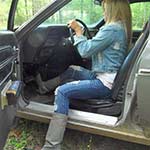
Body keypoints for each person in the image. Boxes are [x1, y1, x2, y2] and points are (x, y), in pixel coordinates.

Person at [41, 0, 132, 149]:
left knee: (62, 92)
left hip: (103, 84)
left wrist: (78, 32)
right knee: (72, 69)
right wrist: (82, 36)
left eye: (105, 8)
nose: (104, 12)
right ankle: (43, 87)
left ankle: (51, 146)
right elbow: (93, 48)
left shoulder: (112, 29)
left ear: (111, 9)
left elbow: (85, 51)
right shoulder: (121, 27)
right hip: (105, 76)